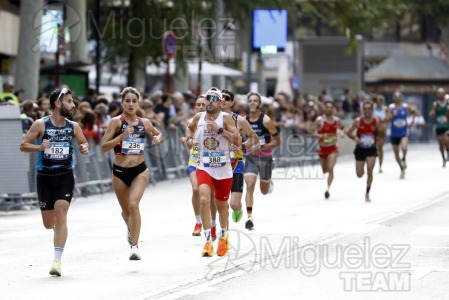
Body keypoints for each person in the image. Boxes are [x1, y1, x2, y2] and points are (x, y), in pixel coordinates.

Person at [19, 87, 89, 276]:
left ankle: (57, 262)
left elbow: (84, 142)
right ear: (57, 104)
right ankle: (57, 230)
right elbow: (23, 145)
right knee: (48, 222)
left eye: (72, 101)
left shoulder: (73, 126)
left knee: (61, 213)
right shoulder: (41, 125)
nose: (73, 105)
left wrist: (83, 148)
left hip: (65, 176)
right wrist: (39, 146)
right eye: (69, 101)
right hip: (44, 177)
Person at [101, 87, 162, 260]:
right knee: (126, 211)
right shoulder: (116, 122)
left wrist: (157, 138)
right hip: (119, 172)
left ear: (138, 103)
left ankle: (134, 246)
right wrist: (121, 137)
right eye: (127, 101)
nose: (130, 104)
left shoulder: (145, 122)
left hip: (139, 170)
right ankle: (130, 228)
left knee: (134, 205)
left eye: (134, 101)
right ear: (122, 103)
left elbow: (157, 134)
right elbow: (104, 146)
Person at [185, 87, 239, 257]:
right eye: (208, 98)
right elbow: (190, 128)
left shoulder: (226, 118)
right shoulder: (198, 117)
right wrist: (188, 140)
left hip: (223, 169)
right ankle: (208, 241)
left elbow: (237, 139)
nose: (209, 101)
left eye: (213, 98)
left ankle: (223, 237)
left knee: (223, 206)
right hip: (204, 166)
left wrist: (219, 130)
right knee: (204, 200)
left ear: (220, 102)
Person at [179, 95, 218, 238]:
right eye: (198, 105)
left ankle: (213, 223)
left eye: (203, 104)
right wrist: (188, 141)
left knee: (211, 197)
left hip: (210, 163)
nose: (201, 107)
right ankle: (198, 221)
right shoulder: (192, 121)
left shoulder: (215, 120)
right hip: (195, 161)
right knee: (196, 190)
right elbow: (189, 140)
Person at [243, 92, 281, 231]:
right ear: (248, 103)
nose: (252, 103)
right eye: (250, 101)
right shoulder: (243, 120)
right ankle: (249, 217)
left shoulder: (265, 120)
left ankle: (268, 180)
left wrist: (262, 146)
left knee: (264, 191)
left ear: (259, 104)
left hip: (265, 158)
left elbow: (278, 141)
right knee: (250, 185)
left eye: (255, 101)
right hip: (250, 158)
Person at [220, 89, 258, 223]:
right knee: (221, 202)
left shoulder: (240, 120)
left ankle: (238, 208)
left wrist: (242, 146)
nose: (223, 100)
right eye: (221, 97)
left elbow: (254, 138)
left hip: (236, 163)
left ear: (231, 102)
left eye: (226, 98)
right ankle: (223, 230)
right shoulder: (209, 119)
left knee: (234, 204)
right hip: (217, 165)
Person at [309, 100, 345, 199]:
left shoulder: (337, 120)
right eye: (327, 107)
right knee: (325, 170)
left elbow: (343, 128)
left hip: (333, 148)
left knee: (330, 168)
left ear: (334, 109)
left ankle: (328, 189)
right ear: (324, 109)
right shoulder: (319, 120)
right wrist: (320, 135)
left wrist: (342, 133)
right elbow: (311, 131)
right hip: (322, 149)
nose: (329, 109)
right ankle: (327, 183)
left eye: (331, 107)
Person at [346, 100, 381, 202]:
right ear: (362, 110)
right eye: (365, 108)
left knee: (370, 170)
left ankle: (367, 193)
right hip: (360, 149)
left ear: (372, 110)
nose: (367, 111)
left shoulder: (376, 121)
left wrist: (377, 140)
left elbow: (380, 133)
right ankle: (363, 163)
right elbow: (348, 132)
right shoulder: (358, 121)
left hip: (371, 149)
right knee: (359, 174)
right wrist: (354, 138)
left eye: (369, 109)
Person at [385, 91, 414, 179]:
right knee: (396, 154)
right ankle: (401, 168)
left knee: (404, 148)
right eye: (395, 97)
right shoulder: (391, 107)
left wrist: (411, 122)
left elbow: (413, 113)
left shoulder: (406, 106)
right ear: (393, 98)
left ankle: (404, 158)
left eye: (399, 96)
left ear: (402, 97)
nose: (397, 98)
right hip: (394, 133)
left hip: (403, 132)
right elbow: (387, 118)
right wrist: (390, 115)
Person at [429, 88, 449, 167]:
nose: (440, 95)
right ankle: (443, 159)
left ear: (444, 93)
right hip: (439, 125)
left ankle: (448, 151)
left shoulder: (448, 102)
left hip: (447, 125)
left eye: (442, 93)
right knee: (441, 144)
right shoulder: (435, 103)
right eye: (438, 93)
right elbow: (432, 112)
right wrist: (432, 113)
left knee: (447, 140)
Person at [373, 95, 387, 173]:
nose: (380, 102)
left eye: (381, 100)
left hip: (381, 131)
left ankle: (380, 165)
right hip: (373, 131)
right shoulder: (372, 109)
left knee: (380, 148)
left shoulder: (385, 110)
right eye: (378, 100)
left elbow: (387, 118)